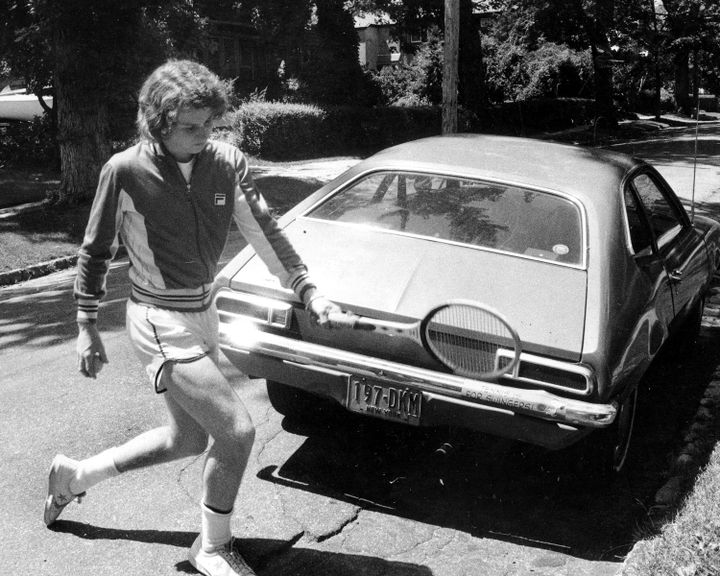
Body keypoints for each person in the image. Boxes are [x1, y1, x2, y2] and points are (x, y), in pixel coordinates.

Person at [44, 59, 339, 576]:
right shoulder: (125, 170)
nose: (203, 135)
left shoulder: (227, 161)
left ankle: (74, 476)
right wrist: (86, 326)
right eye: (189, 127)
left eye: (209, 124)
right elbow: (95, 251)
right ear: (156, 122)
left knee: (188, 439)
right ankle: (212, 547)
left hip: (204, 311)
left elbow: (264, 230)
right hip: (158, 318)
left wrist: (307, 289)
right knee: (236, 430)